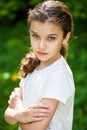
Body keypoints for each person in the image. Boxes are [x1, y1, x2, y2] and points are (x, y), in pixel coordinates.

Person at [4, 0, 75, 130]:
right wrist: (19, 114)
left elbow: (36, 128)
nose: (41, 45)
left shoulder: (58, 75)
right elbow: (7, 115)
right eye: (36, 36)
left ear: (65, 37)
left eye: (51, 38)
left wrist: (18, 109)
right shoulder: (33, 65)